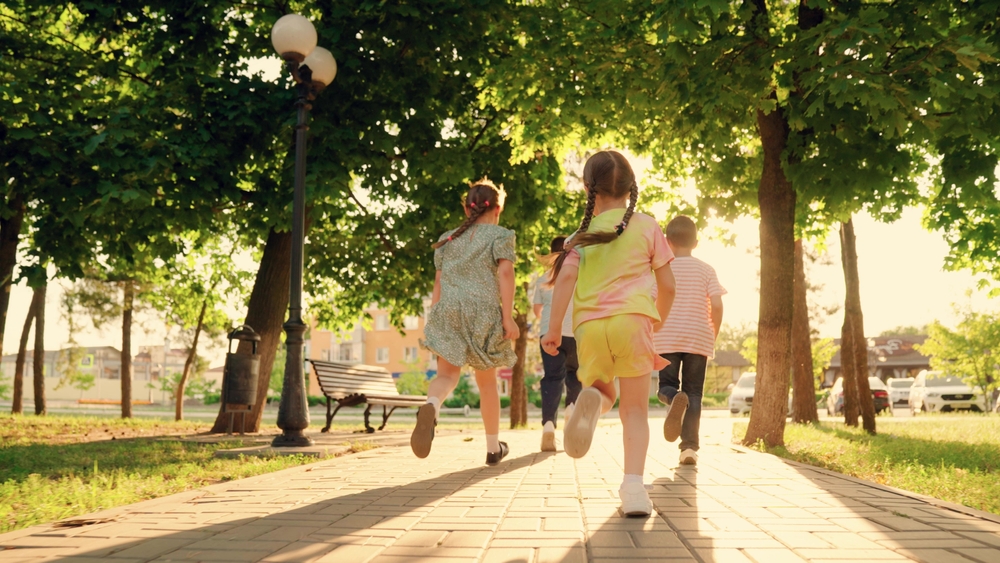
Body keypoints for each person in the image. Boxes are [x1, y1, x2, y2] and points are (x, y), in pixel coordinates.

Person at [542, 150, 676, 517]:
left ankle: (588, 406)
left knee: (602, 389)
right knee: (634, 410)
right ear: (631, 187)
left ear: (588, 188)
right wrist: (656, 320)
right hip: (632, 321)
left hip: (589, 328)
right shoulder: (648, 226)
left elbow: (566, 278)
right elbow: (669, 285)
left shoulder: (582, 235)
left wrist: (554, 330)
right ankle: (633, 490)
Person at [413, 179, 520, 466]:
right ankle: (492, 447)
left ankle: (432, 406)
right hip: (483, 313)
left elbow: (438, 283)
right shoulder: (500, 235)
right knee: (487, 384)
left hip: (448, 310)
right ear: (498, 208)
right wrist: (508, 317)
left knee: (447, 377)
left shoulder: (448, 239)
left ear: (466, 208)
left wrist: (435, 320)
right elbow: (506, 275)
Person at [653, 215, 726, 467]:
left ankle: (673, 398)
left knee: (666, 387)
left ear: (668, 242)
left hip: (666, 337)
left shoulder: (661, 270)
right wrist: (712, 334)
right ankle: (689, 450)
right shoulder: (707, 270)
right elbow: (716, 305)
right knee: (694, 393)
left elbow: (651, 302)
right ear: (696, 243)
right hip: (699, 338)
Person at [533, 236, 582, 452]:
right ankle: (572, 407)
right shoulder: (579, 276)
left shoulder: (543, 278)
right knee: (576, 375)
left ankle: (549, 425)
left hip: (549, 335)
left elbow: (537, 311)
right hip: (577, 333)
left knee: (552, 378)